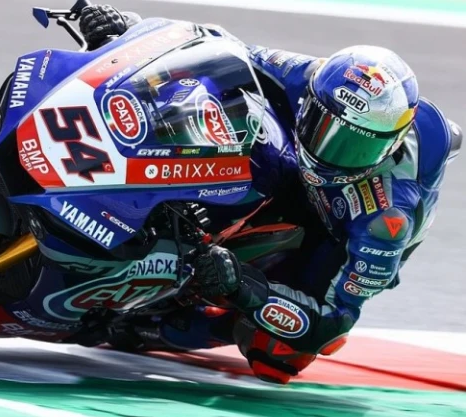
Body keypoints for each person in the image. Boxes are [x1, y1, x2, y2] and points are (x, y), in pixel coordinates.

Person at [78, 4, 462, 384]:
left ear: (391, 145)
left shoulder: (384, 221)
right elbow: (213, 46)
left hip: (336, 234)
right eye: (325, 128)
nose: (332, 154)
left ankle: (151, 329)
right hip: (292, 167)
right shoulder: (312, 77)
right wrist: (130, 30)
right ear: (313, 100)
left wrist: (242, 287)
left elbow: (334, 320)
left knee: (278, 355)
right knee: (222, 102)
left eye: (356, 148)